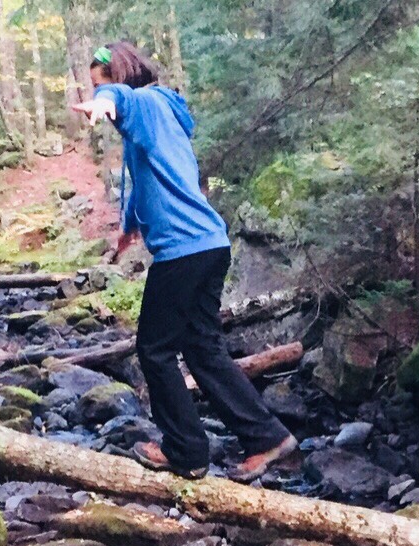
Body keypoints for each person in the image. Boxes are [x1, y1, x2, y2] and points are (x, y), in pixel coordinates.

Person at [79, 41, 297, 482]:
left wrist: (104, 100)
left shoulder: (142, 102)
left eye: (99, 81)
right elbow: (147, 177)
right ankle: (268, 439)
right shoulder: (160, 119)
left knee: (155, 350)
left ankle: (187, 451)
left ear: (119, 76)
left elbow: (120, 98)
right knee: (203, 348)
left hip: (183, 249)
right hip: (209, 243)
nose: (100, 93)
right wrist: (127, 227)